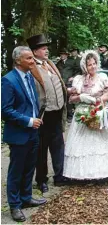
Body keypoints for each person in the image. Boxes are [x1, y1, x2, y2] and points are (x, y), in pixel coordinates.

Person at [63, 50, 108, 179]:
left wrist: (99, 100)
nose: (92, 67)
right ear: (84, 66)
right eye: (89, 65)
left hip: (100, 110)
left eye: (94, 64)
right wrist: (82, 97)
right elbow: (72, 99)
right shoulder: (78, 80)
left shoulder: (102, 77)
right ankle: (82, 173)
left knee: (103, 140)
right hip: (83, 113)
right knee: (82, 144)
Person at [1, 46, 47, 222]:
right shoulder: (8, 80)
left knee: (29, 167)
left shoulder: (29, 77)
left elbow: (31, 102)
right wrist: (28, 120)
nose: (32, 61)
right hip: (19, 133)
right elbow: (5, 110)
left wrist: (37, 118)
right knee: (16, 170)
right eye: (29, 58)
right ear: (18, 60)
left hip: (33, 132)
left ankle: (26, 197)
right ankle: (14, 205)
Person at [26, 34, 68, 193]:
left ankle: (59, 175)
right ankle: (41, 179)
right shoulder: (31, 68)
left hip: (57, 112)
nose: (47, 51)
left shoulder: (50, 64)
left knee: (58, 145)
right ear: (35, 51)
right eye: (43, 48)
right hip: (43, 115)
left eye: (46, 48)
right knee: (41, 149)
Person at [56, 48, 76, 122]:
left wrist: (73, 77)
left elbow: (78, 70)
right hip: (61, 83)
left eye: (64, 54)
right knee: (62, 99)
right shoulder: (58, 63)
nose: (62, 56)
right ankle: (62, 115)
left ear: (67, 55)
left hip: (69, 83)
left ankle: (70, 115)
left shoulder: (72, 62)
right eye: (61, 54)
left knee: (69, 99)